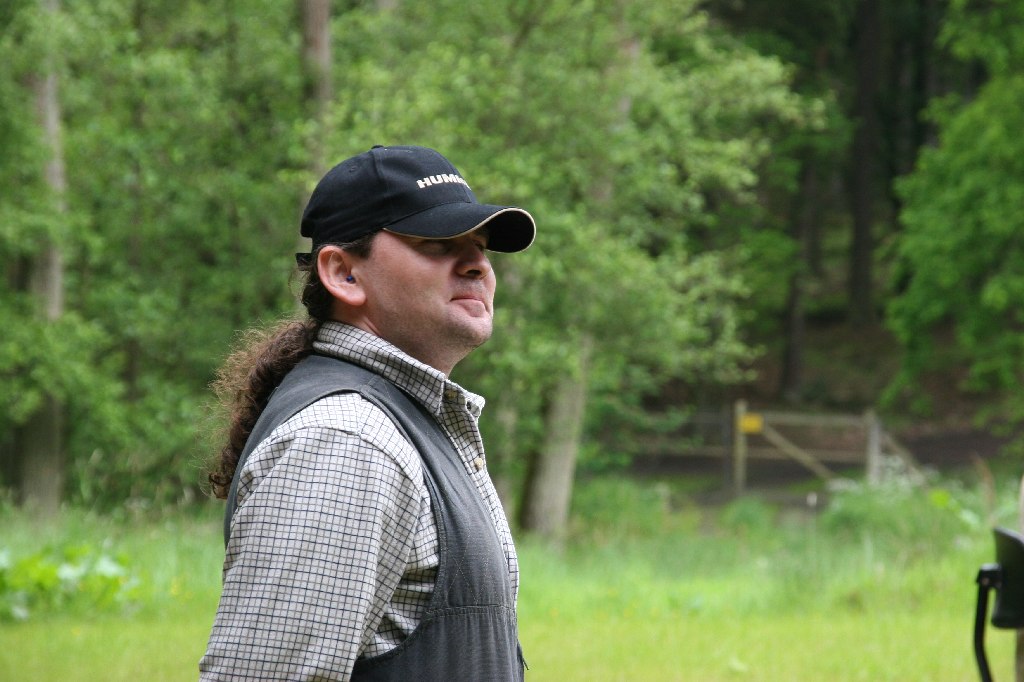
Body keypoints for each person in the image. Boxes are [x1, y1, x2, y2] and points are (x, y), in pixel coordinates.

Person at [199, 145, 536, 681]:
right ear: (343, 274)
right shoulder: (347, 439)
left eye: (480, 246)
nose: (477, 264)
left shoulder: (398, 421)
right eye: (438, 243)